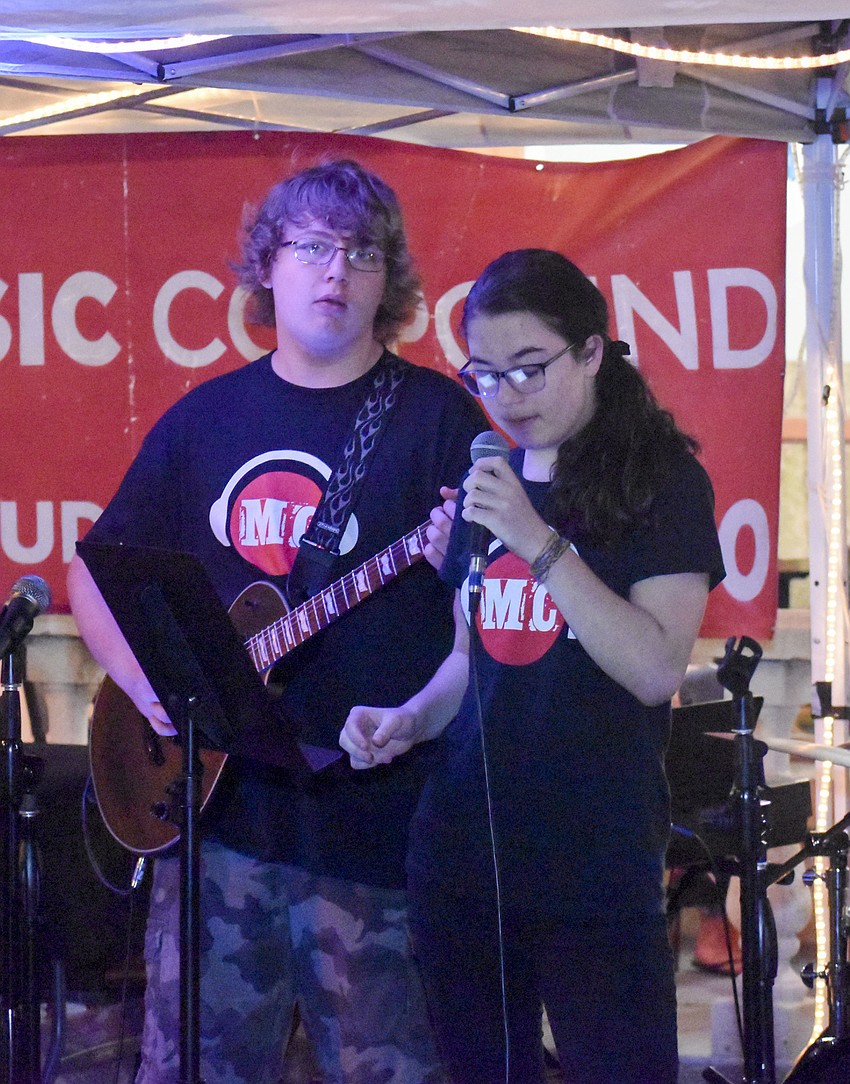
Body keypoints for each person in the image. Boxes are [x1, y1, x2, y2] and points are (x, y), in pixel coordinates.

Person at [67, 158, 485, 1084]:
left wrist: (417, 712)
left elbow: (482, 631)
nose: (335, 273)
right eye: (312, 248)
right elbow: (92, 574)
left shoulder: (439, 421)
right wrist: (150, 690)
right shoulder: (204, 420)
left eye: (360, 254)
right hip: (217, 835)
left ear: (389, 281)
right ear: (269, 265)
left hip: (375, 840)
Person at [340, 248, 727, 1084]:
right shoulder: (490, 479)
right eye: (486, 375)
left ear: (592, 352)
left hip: (593, 863)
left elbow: (656, 667)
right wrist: (407, 718)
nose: (509, 396)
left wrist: (540, 541)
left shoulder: (662, 483)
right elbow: (468, 665)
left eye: (530, 369)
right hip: (462, 856)